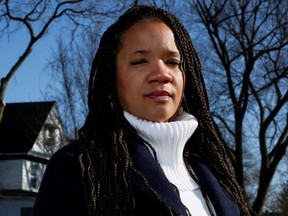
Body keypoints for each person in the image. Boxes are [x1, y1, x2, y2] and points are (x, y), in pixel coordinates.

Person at [33, 5, 250, 216]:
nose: (162, 73)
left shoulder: (217, 174)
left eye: (173, 61)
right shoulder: (78, 168)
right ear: (112, 78)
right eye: (140, 61)